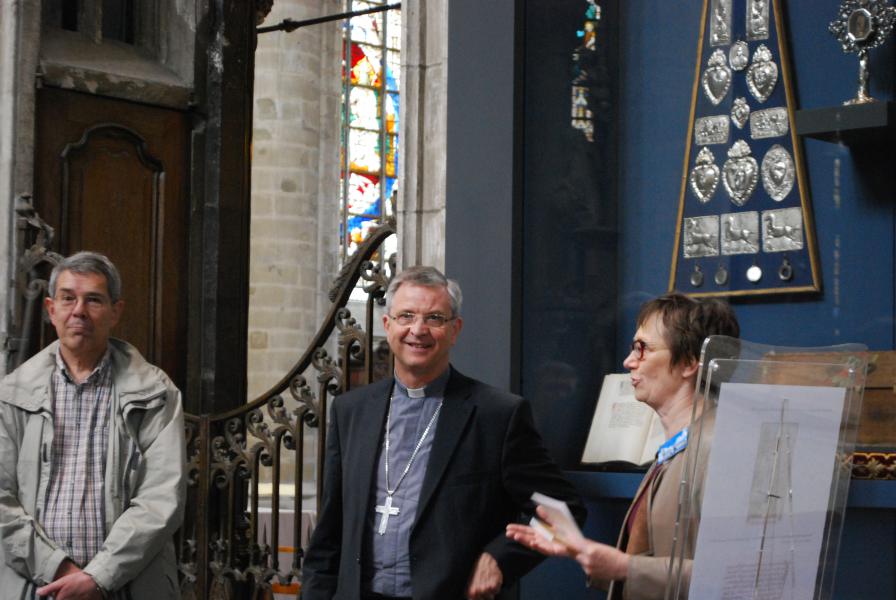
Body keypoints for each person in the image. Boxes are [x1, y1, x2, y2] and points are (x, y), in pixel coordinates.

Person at [302, 266, 585, 600]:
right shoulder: (351, 410)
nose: (418, 330)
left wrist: (500, 558)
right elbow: (330, 533)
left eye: (435, 318)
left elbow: (566, 511)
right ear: (387, 324)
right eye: (406, 316)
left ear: (455, 330)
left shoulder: (497, 415)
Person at [507, 292, 739, 600]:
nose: (629, 361)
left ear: (688, 363)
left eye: (642, 349)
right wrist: (587, 553)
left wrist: (624, 567)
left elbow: (733, 574)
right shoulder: (682, 445)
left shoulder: (719, 446)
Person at [0, 251, 186, 600]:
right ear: (51, 309)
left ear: (116, 311)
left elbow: (162, 498)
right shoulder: (11, 394)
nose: (79, 311)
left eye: (94, 300)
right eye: (68, 298)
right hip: (36, 586)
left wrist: (99, 577)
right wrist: (59, 568)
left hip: (128, 587)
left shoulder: (155, 393)